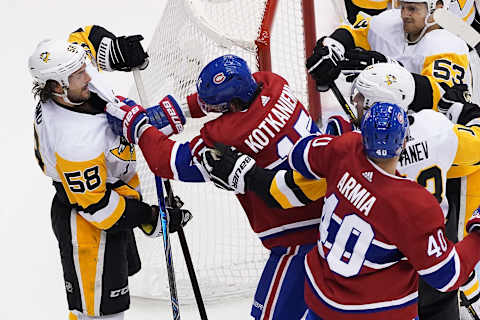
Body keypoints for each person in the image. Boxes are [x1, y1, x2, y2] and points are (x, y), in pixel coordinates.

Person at [200, 101, 480, 319]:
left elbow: (300, 155)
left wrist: (251, 173)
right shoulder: (415, 205)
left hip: (322, 300)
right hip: (377, 312)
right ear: (403, 142)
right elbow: (448, 275)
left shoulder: (344, 149)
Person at [105, 54, 325, 319]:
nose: (211, 111)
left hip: (300, 238)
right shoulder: (273, 84)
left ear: (232, 105)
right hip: (328, 212)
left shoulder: (229, 136)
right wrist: (176, 112)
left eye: (218, 107)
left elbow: (169, 162)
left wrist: (138, 126)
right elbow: (215, 100)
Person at [29, 27, 191, 320]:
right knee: (100, 314)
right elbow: (98, 208)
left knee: (115, 299)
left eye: (83, 68)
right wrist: (150, 217)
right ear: (56, 87)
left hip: (115, 195)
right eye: (79, 74)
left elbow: (85, 37)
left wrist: (116, 50)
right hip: (86, 223)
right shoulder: (72, 141)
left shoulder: (74, 79)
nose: (88, 75)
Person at [325, 62, 480, 319]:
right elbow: (474, 149)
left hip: (384, 269)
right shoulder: (435, 127)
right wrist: (468, 114)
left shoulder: (352, 149)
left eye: (362, 99)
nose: (356, 103)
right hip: (434, 251)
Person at [307, 0, 470, 112]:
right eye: (403, 6)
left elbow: (442, 98)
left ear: (437, 9)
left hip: (430, 140)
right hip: (385, 129)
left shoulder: (449, 46)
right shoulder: (390, 22)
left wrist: (389, 71)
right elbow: (355, 32)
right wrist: (332, 46)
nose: (404, 14)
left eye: (412, 8)